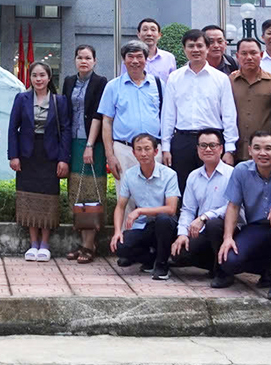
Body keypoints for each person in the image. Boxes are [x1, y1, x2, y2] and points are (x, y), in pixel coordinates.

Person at [216, 131, 271, 299]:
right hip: (255, 227)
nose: (262, 153)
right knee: (229, 261)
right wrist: (228, 238)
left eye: (268, 148)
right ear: (250, 150)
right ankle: (267, 266)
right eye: (257, 148)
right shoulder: (241, 170)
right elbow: (233, 206)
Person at [8, 60, 70, 261]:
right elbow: (12, 128)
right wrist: (13, 155)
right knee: (29, 197)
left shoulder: (59, 101)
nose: (38, 79)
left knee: (48, 197)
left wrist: (63, 159)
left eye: (42, 75)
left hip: (50, 155)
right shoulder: (22, 98)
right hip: (27, 154)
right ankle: (33, 243)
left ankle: (45, 243)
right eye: (35, 75)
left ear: (49, 78)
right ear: (30, 78)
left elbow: (66, 131)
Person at [160, 29, 237, 191]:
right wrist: (166, 147)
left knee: (215, 187)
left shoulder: (221, 78)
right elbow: (168, 115)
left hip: (213, 141)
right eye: (191, 46)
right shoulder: (175, 77)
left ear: (207, 48)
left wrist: (229, 148)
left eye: (200, 46)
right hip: (183, 141)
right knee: (183, 187)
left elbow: (229, 115)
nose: (195, 50)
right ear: (184, 49)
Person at [62, 45, 109, 263]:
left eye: (88, 58)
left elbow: (99, 115)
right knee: (77, 193)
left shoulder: (100, 82)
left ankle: (90, 245)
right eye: (80, 57)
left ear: (95, 61)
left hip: (92, 144)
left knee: (91, 193)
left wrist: (90, 145)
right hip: (72, 142)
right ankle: (82, 242)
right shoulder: (69, 81)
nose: (84, 61)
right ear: (75, 60)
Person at [109, 134, 180, 279]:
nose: (143, 153)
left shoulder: (169, 174)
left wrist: (140, 211)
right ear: (134, 153)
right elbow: (120, 206)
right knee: (120, 246)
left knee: (163, 219)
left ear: (155, 151)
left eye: (147, 149)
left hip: (166, 226)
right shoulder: (130, 175)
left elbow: (171, 209)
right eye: (139, 149)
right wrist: (117, 232)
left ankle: (162, 265)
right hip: (144, 226)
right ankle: (150, 259)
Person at [170, 130, 236, 281]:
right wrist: (182, 234)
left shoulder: (232, 174)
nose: (208, 149)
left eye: (212, 145)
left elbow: (233, 206)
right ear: (198, 149)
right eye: (203, 145)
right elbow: (188, 209)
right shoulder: (194, 176)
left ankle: (224, 273)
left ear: (221, 148)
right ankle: (216, 264)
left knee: (214, 224)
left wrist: (205, 217)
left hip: (228, 229)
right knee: (179, 254)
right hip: (204, 231)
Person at [99, 41, 162, 177]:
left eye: (139, 56)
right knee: (125, 189)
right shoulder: (113, 86)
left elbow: (166, 117)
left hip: (153, 149)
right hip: (124, 150)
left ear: (146, 59)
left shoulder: (158, 84)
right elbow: (107, 122)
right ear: (124, 60)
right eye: (130, 56)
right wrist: (110, 155)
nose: (135, 61)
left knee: (155, 188)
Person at [229, 38, 271, 163]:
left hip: (265, 152)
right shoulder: (229, 82)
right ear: (237, 56)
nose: (249, 57)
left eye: (253, 53)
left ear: (261, 55)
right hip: (236, 150)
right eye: (244, 53)